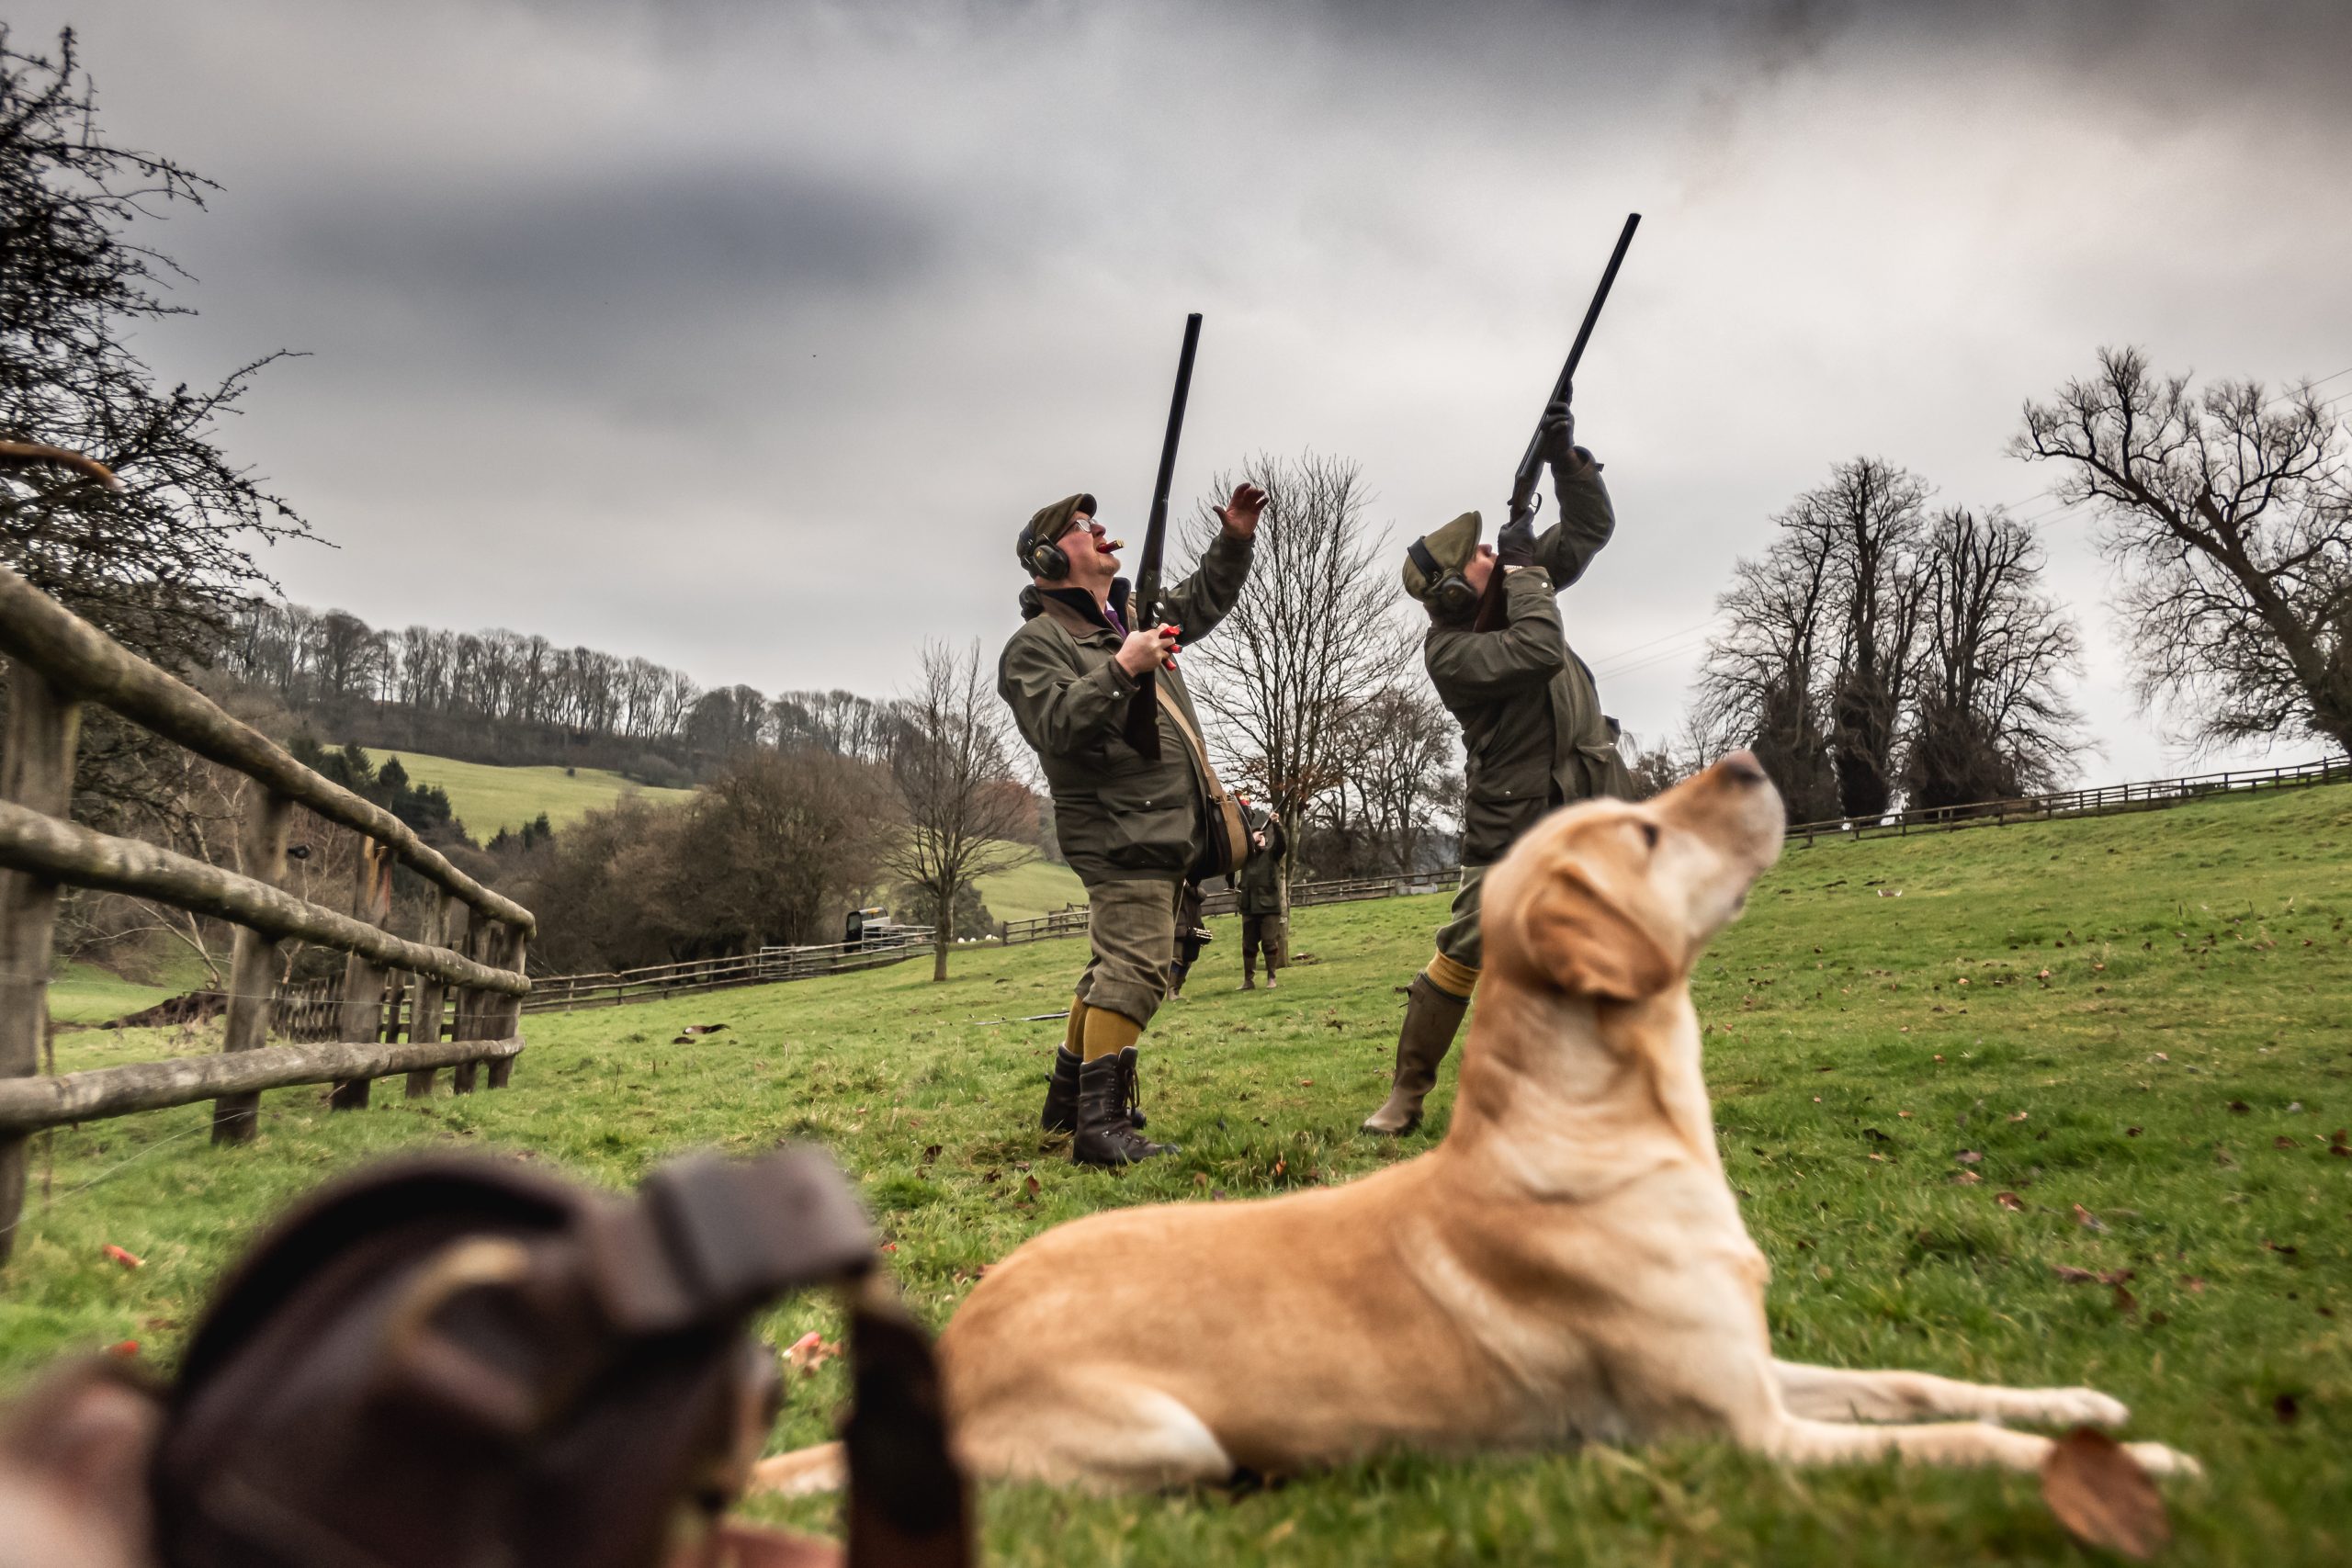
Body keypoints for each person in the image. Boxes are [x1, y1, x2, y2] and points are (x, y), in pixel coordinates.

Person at [1361, 400, 1634, 1135]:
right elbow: (1539, 649)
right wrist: (1523, 571)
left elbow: (1590, 530)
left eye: (1494, 551)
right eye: (1481, 558)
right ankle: (1407, 1093)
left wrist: (1568, 461)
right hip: (1514, 821)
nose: (1495, 554)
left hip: (1590, 798)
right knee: (1466, 947)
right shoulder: (1450, 653)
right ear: (1455, 592)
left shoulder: (1518, 584)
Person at [1000, 482, 1266, 1165]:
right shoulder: (1036, 645)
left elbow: (1202, 599)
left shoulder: (1126, 620)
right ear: (1047, 560)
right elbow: (1054, 724)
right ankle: (1103, 1127)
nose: (1101, 532)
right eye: (1082, 526)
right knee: (1137, 971)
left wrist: (1234, 538)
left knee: (1110, 968)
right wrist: (1122, 669)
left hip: (1156, 827)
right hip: (1124, 833)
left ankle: (1068, 1107)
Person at [1236, 805, 1288, 989]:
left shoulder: (1272, 855)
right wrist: (1251, 841)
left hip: (1269, 907)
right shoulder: (1245, 857)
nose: (1261, 839)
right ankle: (1248, 980)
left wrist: (1276, 824)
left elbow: (1282, 844)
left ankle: (1271, 978)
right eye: (1257, 836)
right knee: (1248, 945)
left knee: (1268, 942)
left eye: (1263, 836)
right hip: (1249, 906)